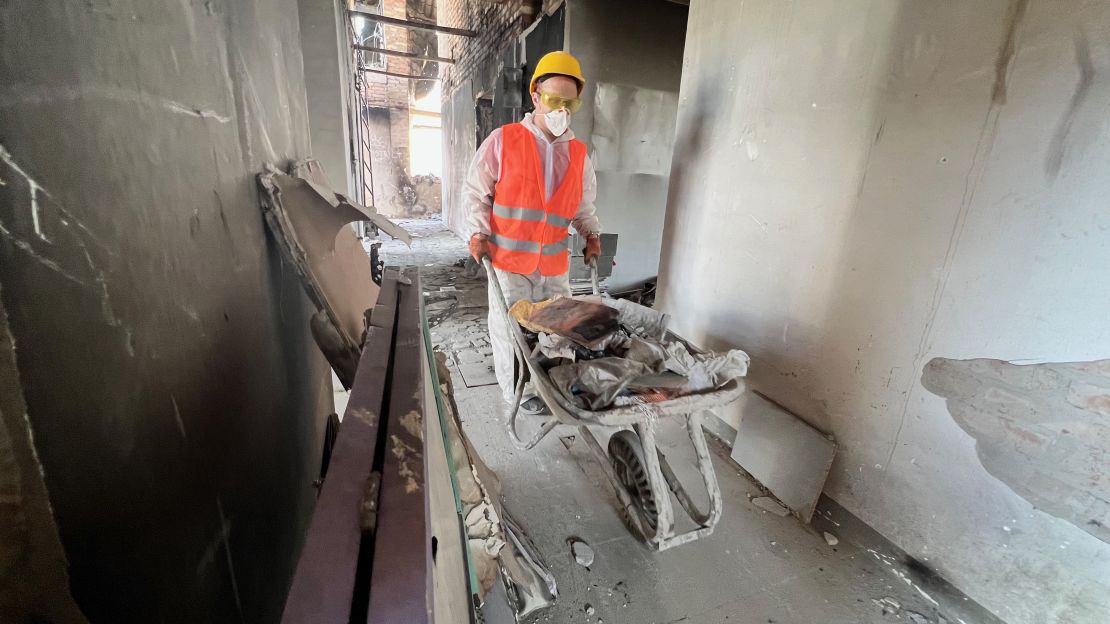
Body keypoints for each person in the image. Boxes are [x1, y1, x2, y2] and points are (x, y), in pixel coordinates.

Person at [463, 50, 602, 414]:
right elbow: (477, 192)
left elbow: (582, 206)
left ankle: (554, 386)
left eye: (570, 103)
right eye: (554, 100)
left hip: (554, 265)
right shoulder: (504, 140)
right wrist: (478, 233)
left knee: (559, 330)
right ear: (535, 96)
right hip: (510, 263)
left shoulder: (579, 155)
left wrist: (592, 234)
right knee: (511, 333)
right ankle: (518, 396)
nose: (562, 110)